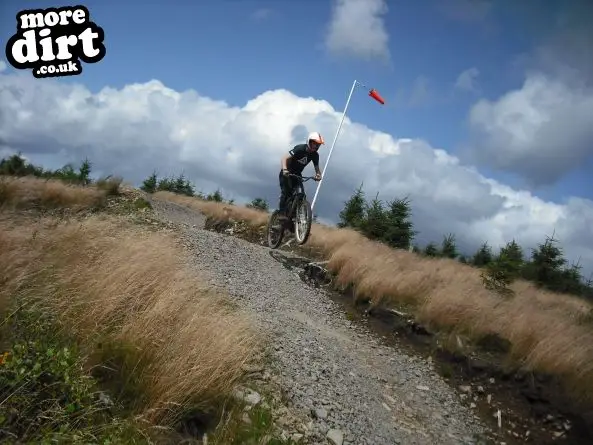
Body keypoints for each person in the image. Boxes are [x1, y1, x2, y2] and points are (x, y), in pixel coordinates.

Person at [277, 131, 324, 219]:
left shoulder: (315, 155)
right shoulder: (300, 148)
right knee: (286, 192)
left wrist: (318, 175)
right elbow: (284, 158)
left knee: (301, 194)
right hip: (287, 172)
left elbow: (317, 169)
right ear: (309, 142)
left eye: (318, 145)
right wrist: (284, 169)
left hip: (297, 174)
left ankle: (295, 220)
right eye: (314, 144)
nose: (316, 146)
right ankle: (281, 214)